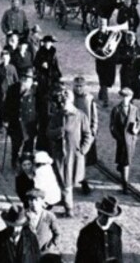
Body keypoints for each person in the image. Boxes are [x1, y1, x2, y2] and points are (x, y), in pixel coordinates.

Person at [47, 89, 93, 217]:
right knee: (63, 181)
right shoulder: (57, 116)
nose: (64, 106)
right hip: (60, 155)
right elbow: (49, 133)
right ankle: (66, 204)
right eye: (62, 103)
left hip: (74, 154)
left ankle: (69, 208)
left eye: (66, 103)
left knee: (68, 182)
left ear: (71, 102)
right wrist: (58, 131)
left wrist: (82, 150)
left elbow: (88, 135)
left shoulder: (80, 116)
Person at [110, 87, 140, 193]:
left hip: (131, 139)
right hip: (121, 140)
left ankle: (120, 167)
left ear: (131, 97)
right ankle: (125, 185)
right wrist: (118, 137)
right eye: (123, 97)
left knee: (127, 161)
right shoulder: (116, 109)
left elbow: (138, 122)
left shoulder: (134, 109)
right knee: (126, 163)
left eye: (127, 97)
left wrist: (136, 130)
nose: (125, 99)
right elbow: (112, 126)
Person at [75, 196, 124, 263]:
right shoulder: (86, 232)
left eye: (111, 217)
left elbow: (118, 254)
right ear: (99, 213)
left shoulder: (117, 229)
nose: (108, 220)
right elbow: (81, 258)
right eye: (105, 216)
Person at [72, 76, 98, 194]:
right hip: (73, 133)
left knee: (85, 159)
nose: (78, 89)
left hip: (86, 133)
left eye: (80, 86)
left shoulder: (89, 99)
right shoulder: (70, 97)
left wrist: (93, 132)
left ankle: (83, 181)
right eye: (76, 86)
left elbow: (94, 117)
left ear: (85, 86)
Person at [24, 189, 61, 261]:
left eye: (36, 200)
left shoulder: (49, 216)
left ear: (42, 201)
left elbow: (57, 234)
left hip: (44, 253)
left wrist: (51, 246)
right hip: (28, 252)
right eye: (31, 200)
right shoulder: (24, 215)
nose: (34, 203)